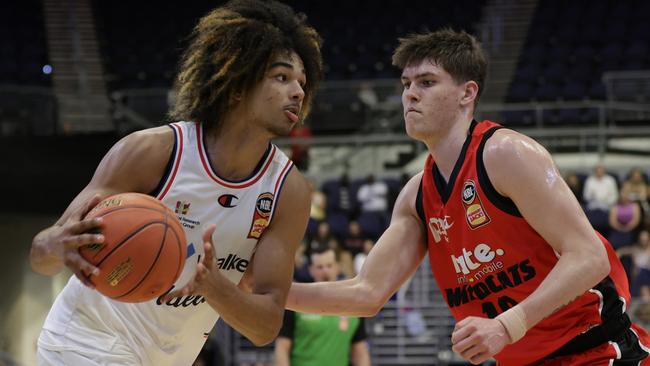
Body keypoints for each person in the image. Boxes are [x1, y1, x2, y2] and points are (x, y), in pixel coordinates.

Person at [286, 29, 650, 365]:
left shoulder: (505, 154)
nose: (410, 94)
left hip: (596, 351)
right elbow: (366, 292)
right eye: (406, 83)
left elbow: (590, 257)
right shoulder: (415, 196)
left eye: (427, 82)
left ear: (467, 92)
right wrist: (267, 293)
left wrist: (507, 326)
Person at [29, 1, 323, 364]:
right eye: (281, 77)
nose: (297, 91)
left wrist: (214, 288)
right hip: (86, 340)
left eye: (301, 83)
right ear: (237, 83)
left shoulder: (287, 192)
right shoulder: (152, 151)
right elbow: (43, 257)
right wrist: (54, 243)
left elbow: (264, 327)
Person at [274, 246, 371, 366]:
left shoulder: (352, 306)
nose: (325, 271)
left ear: (338, 267)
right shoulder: (297, 303)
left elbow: (360, 351)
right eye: (319, 267)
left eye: (329, 265)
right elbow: (282, 348)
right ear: (311, 270)